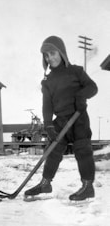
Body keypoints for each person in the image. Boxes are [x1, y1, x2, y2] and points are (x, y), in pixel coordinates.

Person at [24, 35, 98, 201]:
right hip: (62, 120)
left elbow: (92, 87)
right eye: (46, 56)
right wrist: (49, 126)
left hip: (78, 118)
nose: (50, 58)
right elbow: (47, 106)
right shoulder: (48, 81)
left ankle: (88, 186)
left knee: (83, 150)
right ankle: (45, 183)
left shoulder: (76, 71)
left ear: (61, 52)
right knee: (53, 149)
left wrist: (81, 96)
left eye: (53, 53)